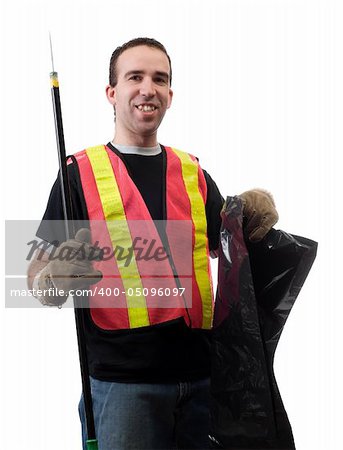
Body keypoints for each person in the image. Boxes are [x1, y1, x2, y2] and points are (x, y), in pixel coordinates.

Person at [27, 37, 278, 450]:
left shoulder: (191, 170)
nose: (148, 88)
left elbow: (229, 242)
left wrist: (248, 217)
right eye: (135, 77)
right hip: (123, 388)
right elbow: (37, 272)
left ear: (170, 95)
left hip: (203, 378)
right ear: (112, 92)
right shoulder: (78, 173)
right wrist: (51, 280)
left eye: (159, 79)